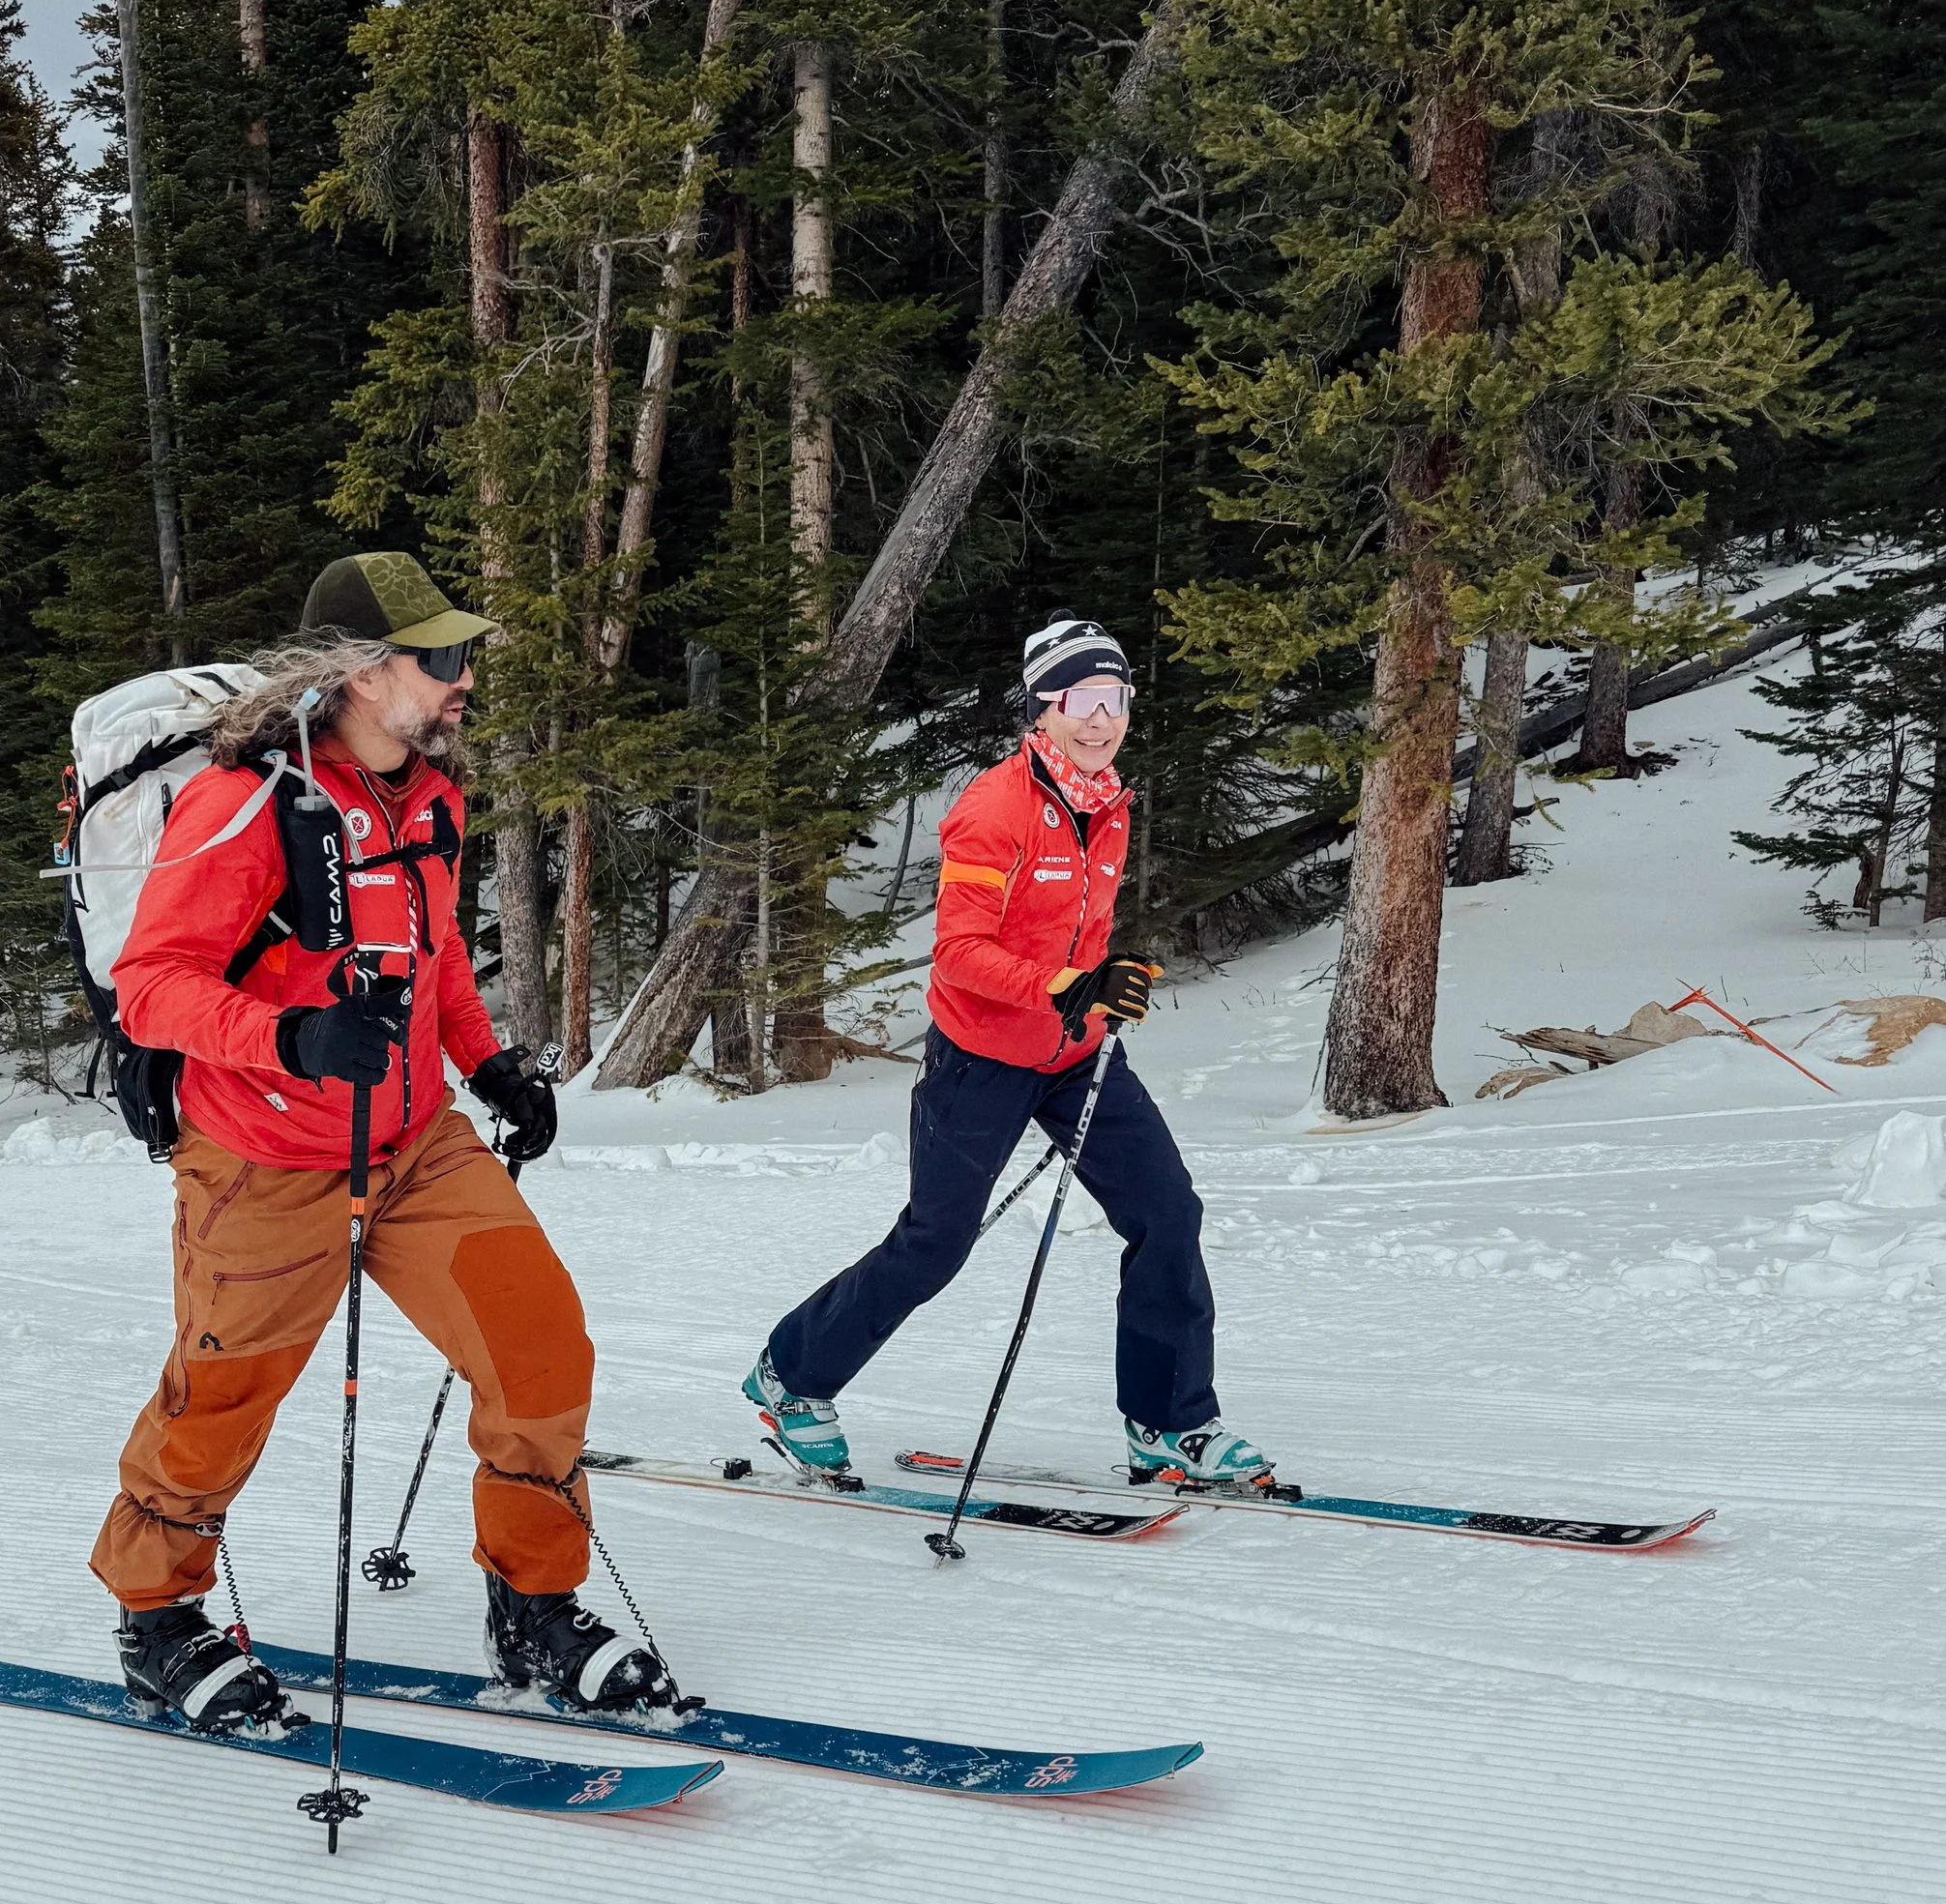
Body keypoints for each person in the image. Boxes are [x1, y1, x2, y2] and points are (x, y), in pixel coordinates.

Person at [88, 549, 672, 1729]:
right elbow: (151, 988)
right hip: (262, 1160)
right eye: (442, 656)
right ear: (361, 672)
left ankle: (534, 1606)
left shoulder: (432, 798)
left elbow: (437, 955)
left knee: (538, 1350)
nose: (465, 679)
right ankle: (157, 1620)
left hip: (413, 1142)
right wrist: (292, 1037)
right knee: (221, 1400)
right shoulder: (245, 801)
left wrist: (488, 1063)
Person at [742, 615, 1275, 1493]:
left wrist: (1107, 979)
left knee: (1168, 1212)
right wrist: (1067, 985)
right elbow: (958, 952)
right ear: (1043, 707)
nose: (1101, 720)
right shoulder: (995, 808)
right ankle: (792, 1374)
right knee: (934, 1243)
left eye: (1116, 699)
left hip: (1076, 1055)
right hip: (980, 1058)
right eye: (1082, 699)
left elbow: (1071, 935)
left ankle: (1171, 1424)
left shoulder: (1108, 803)